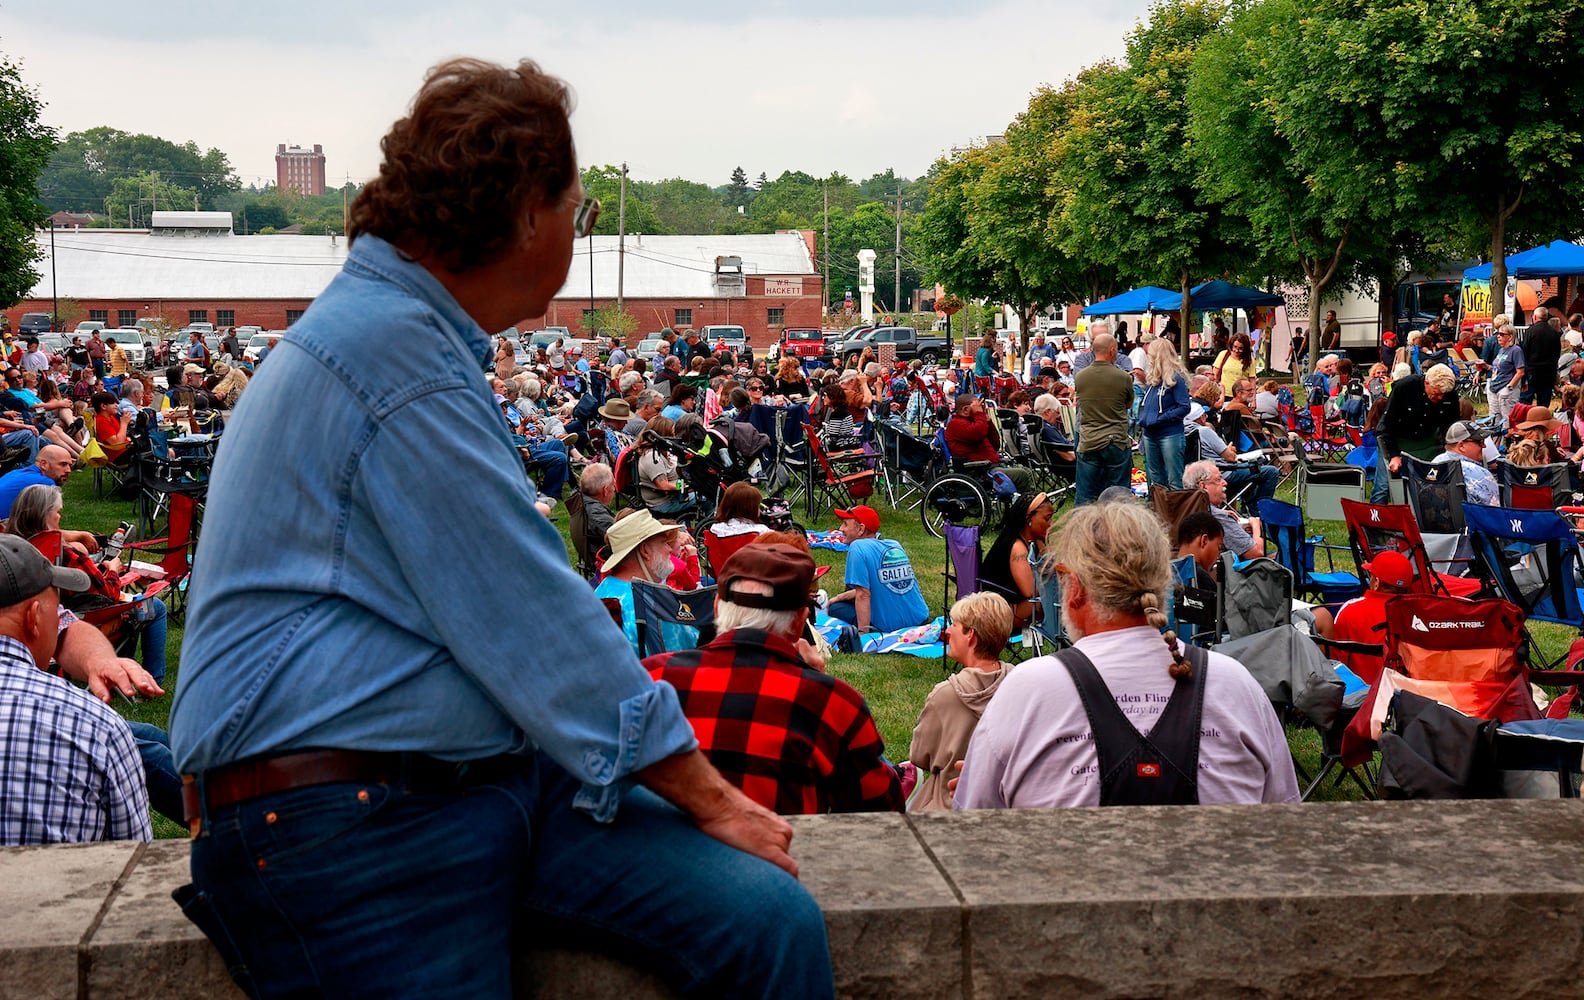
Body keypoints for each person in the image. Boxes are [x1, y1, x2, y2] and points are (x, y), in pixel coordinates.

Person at [168, 59, 829, 999]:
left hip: (459, 787)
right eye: (577, 209)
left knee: (767, 923)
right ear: (528, 212)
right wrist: (712, 799)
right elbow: (530, 619)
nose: (575, 226)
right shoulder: (394, 361)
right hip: (345, 822)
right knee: (764, 913)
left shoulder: (398, 337)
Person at [955, 502, 1299, 808]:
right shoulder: (1237, 685)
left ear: (1073, 590)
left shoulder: (1026, 691)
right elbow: (1285, 826)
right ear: (1164, 582)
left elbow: (975, 828)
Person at [645, 544, 902, 815]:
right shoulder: (832, 703)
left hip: (663, 853)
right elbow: (883, 811)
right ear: (799, 623)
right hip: (783, 853)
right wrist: (819, 684)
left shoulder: (651, 679)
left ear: (717, 608)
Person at [0, 534, 151, 845]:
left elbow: (68, 628)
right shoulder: (97, 726)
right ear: (33, 618)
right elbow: (133, 863)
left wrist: (100, 659)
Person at [7, 484, 171, 684]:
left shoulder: (9, 547)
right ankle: (153, 679)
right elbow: (108, 594)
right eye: (57, 512)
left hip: (24, 624)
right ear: (45, 515)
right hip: (81, 618)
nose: (60, 518)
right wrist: (112, 569)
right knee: (154, 607)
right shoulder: (64, 553)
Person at [908, 591, 1017, 812]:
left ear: (971, 635)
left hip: (949, 801)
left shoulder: (945, 695)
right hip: (1005, 801)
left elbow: (919, 756)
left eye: (955, 625)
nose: (947, 631)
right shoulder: (1020, 684)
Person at [826, 504, 928, 633]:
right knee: (841, 601)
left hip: (888, 626)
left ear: (861, 529)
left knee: (836, 608)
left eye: (845, 524)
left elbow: (863, 594)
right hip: (920, 619)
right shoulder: (894, 545)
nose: (841, 529)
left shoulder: (858, 547)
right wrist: (839, 597)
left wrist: (863, 634)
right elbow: (880, 586)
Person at [1374, 363, 1459, 502]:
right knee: (1383, 487)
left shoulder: (1450, 395)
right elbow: (1387, 423)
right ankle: (1373, 520)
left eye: (1444, 395)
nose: (1440, 398)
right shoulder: (1404, 387)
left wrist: (1450, 451)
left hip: (1427, 441)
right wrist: (1394, 455)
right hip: (1396, 437)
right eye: (1436, 393)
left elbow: (1451, 428)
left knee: (1428, 486)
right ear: (1427, 382)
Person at [1330, 550, 1415, 684]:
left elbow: (1337, 663)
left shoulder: (1350, 610)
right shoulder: (1418, 614)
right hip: (1406, 697)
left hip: (1361, 698)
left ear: (1377, 582)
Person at [1073, 326, 1134, 504]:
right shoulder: (1123, 377)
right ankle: (1119, 528)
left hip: (1089, 439)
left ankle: (1082, 528)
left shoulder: (1081, 377)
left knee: (1085, 493)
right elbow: (1128, 404)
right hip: (1116, 440)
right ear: (1112, 350)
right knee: (1119, 495)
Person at [980, 491, 1053, 631]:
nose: (1051, 524)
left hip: (1011, 606)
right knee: (1059, 601)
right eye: (1047, 518)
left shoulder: (1033, 541)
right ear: (1028, 519)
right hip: (1001, 614)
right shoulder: (1018, 548)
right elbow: (1031, 592)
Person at [943, 393, 1033, 491]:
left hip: (990, 466)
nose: (981, 410)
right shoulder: (956, 424)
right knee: (1021, 475)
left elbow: (995, 445)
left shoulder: (975, 422)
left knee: (1026, 471)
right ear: (965, 409)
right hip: (978, 471)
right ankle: (1025, 502)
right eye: (977, 407)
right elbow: (978, 434)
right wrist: (979, 415)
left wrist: (988, 421)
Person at [1182, 460, 1263, 561]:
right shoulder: (1217, 517)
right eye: (1218, 479)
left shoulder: (1183, 511)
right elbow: (1256, 554)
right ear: (1203, 486)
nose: (1225, 482)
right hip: (1226, 574)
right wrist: (1256, 525)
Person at [1140, 338, 1191, 490]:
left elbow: (1184, 407)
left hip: (1169, 434)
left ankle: (1175, 511)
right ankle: (1159, 509)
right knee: (1155, 478)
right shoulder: (1153, 379)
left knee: (1174, 477)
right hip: (1150, 433)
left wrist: (1162, 418)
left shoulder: (1175, 379)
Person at [1432, 420, 1497, 506]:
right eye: (1480, 442)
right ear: (1461, 446)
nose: (1484, 446)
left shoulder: (1435, 462)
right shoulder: (1481, 475)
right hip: (1470, 519)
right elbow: (1495, 512)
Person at [574, 462, 617, 564]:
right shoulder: (596, 514)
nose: (614, 489)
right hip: (609, 560)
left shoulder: (583, 503)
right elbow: (621, 536)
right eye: (613, 485)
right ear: (605, 490)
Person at [1173, 510, 1225, 591]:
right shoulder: (1201, 578)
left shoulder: (1166, 571)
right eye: (1219, 547)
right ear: (1204, 540)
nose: (1218, 556)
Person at [1487, 323, 1525, 430]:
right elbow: (1498, 368)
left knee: (1508, 421)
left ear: (1510, 337)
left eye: (1501, 334)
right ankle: (1496, 445)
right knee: (1494, 420)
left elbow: (1520, 371)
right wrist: (1485, 366)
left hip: (1505, 390)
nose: (1498, 336)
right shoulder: (1501, 350)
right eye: (1497, 334)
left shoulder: (1516, 350)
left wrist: (1509, 387)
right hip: (1495, 387)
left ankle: (1509, 443)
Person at [1523, 306, 1561, 406]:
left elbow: (1525, 351)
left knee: (1526, 401)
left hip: (1532, 371)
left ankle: (1525, 419)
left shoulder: (1530, 331)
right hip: (1548, 372)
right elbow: (1557, 353)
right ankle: (1542, 419)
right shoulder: (1555, 333)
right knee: (1544, 402)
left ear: (1535, 317)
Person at [1213, 334, 1257, 398]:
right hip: (1223, 394)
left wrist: (1253, 399)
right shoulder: (1223, 354)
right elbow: (1215, 374)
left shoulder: (1250, 360)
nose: (1236, 350)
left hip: (1241, 396)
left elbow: (1252, 380)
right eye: (1235, 347)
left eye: (1240, 348)